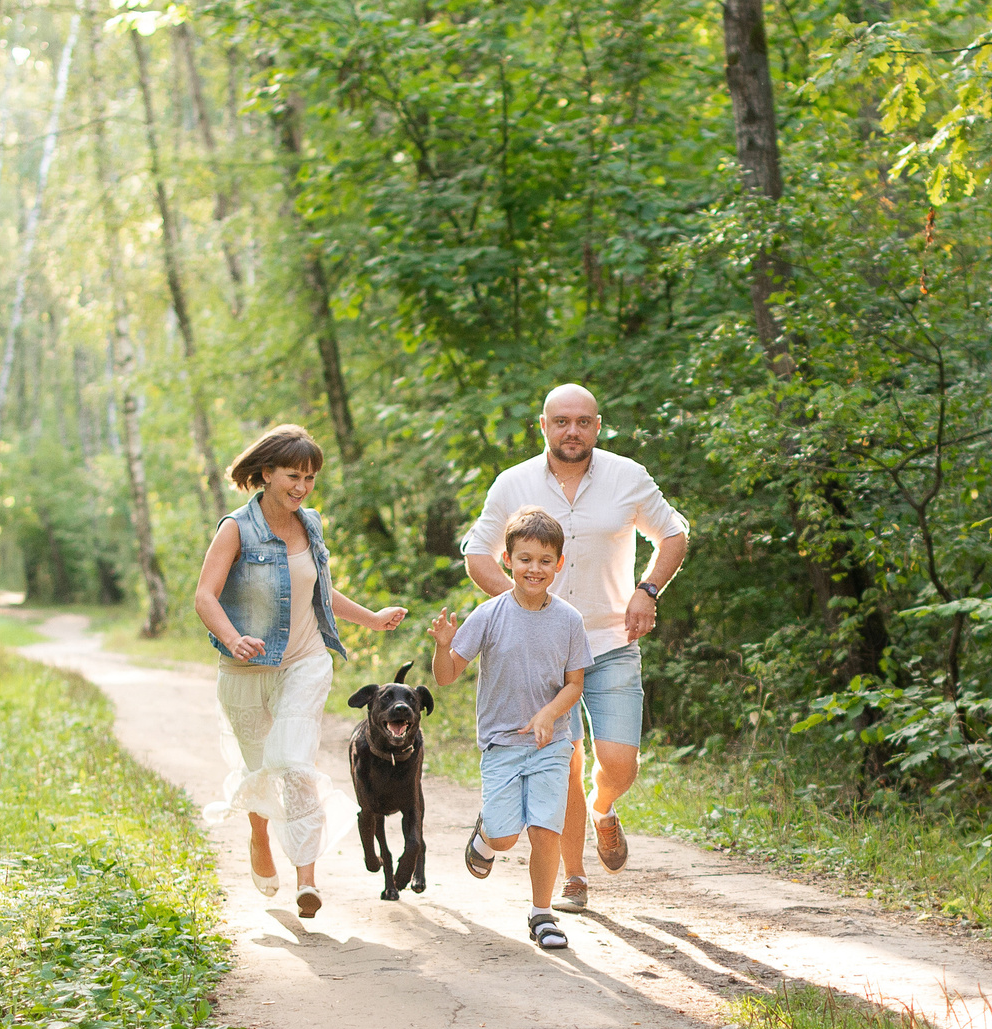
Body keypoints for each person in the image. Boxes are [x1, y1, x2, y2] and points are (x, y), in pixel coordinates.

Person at [462, 384, 688, 912]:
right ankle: (573, 879)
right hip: (541, 654)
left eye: (582, 422)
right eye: (561, 421)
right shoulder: (513, 483)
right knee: (560, 762)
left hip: (611, 641)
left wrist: (647, 589)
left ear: (597, 426)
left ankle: (604, 810)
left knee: (619, 762)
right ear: (543, 425)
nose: (572, 431)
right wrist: (522, 609)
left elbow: (673, 535)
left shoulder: (627, 476)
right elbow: (478, 553)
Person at [194, 424, 406, 919]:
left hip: (306, 662)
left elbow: (314, 590)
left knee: (293, 763)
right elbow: (205, 595)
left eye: (310, 477)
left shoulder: (310, 523)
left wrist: (371, 619)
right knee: (258, 768)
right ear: (265, 473)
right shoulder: (236, 529)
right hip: (244, 670)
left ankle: (306, 878)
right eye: (293, 475)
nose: (302, 487)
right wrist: (232, 637)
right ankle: (259, 834)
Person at [429, 507, 593, 950]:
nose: (534, 569)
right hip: (502, 743)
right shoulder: (489, 614)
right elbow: (446, 676)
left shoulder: (569, 620)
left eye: (544, 560)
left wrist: (547, 715)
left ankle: (542, 915)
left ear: (559, 564)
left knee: (545, 829)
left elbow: (575, 684)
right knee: (505, 838)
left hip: (552, 743)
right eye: (525, 559)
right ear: (507, 560)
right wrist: (445, 647)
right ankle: (486, 834)